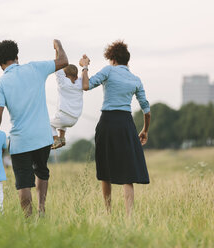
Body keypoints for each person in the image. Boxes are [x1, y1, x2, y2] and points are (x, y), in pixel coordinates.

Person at [0, 39, 68, 217]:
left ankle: (28, 220)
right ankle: (42, 209)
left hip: (20, 141)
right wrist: (58, 46)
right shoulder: (35, 68)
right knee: (42, 171)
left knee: (24, 183)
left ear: (0, 64)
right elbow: (64, 61)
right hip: (43, 137)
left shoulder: (0, 84)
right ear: (17, 56)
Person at [79, 40, 151, 216]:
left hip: (107, 122)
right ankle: (129, 217)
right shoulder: (135, 80)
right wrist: (145, 130)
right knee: (128, 174)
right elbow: (146, 110)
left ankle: (108, 213)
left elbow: (86, 86)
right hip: (126, 124)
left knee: (105, 170)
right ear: (127, 60)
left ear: (112, 59)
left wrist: (85, 67)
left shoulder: (108, 70)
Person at [50, 64, 83, 149]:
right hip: (74, 119)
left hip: (63, 117)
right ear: (76, 77)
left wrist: (57, 51)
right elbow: (84, 77)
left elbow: (58, 67)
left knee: (46, 123)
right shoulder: (79, 84)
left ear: (64, 76)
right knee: (62, 120)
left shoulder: (63, 82)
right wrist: (85, 66)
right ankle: (62, 137)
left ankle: (56, 139)